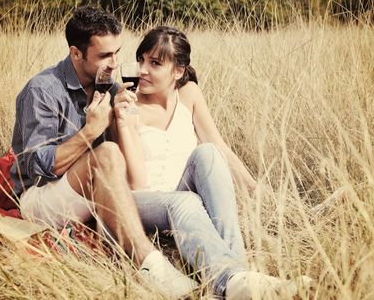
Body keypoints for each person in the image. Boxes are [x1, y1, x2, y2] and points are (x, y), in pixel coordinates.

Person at [10, 8, 198, 298]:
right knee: (107, 152)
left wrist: (124, 120)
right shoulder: (42, 90)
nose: (114, 64)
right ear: (76, 54)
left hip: (88, 194)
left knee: (116, 154)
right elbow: (37, 166)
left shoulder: (110, 87)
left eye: (117, 52)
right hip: (40, 199)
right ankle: (151, 265)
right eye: (104, 56)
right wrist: (90, 131)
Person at [113, 26, 312, 299]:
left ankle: (238, 278)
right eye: (141, 60)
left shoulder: (190, 93)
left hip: (181, 194)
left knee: (207, 152)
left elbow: (219, 148)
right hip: (144, 200)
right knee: (186, 201)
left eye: (155, 63)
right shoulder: (130, 105)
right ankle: (236, 281)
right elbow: (136, 181)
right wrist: (123, 122)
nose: (143, 69)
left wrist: (255, 189)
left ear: (178, 71)